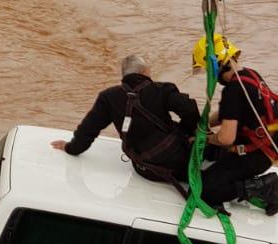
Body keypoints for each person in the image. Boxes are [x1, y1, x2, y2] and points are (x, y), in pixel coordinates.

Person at [51, 53, 200, 185]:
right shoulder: (162, 90)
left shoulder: (108, 97)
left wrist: (70, 148)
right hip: (179, 164)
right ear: (144, 72)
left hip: (146, 170)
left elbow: (88, 130)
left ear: (124, 76)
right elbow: (190, 110)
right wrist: (189, 133)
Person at [194, 34, 278, 215]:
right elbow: (230, 113)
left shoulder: (233, 91)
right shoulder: (250, 75)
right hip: (272, 145)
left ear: (216, 64)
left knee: (201, 191)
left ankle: (261, 187)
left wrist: (204, 137)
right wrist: (203, 122)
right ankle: (246, 182)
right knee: (214, 172)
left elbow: (226, 138)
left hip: (256, 153)